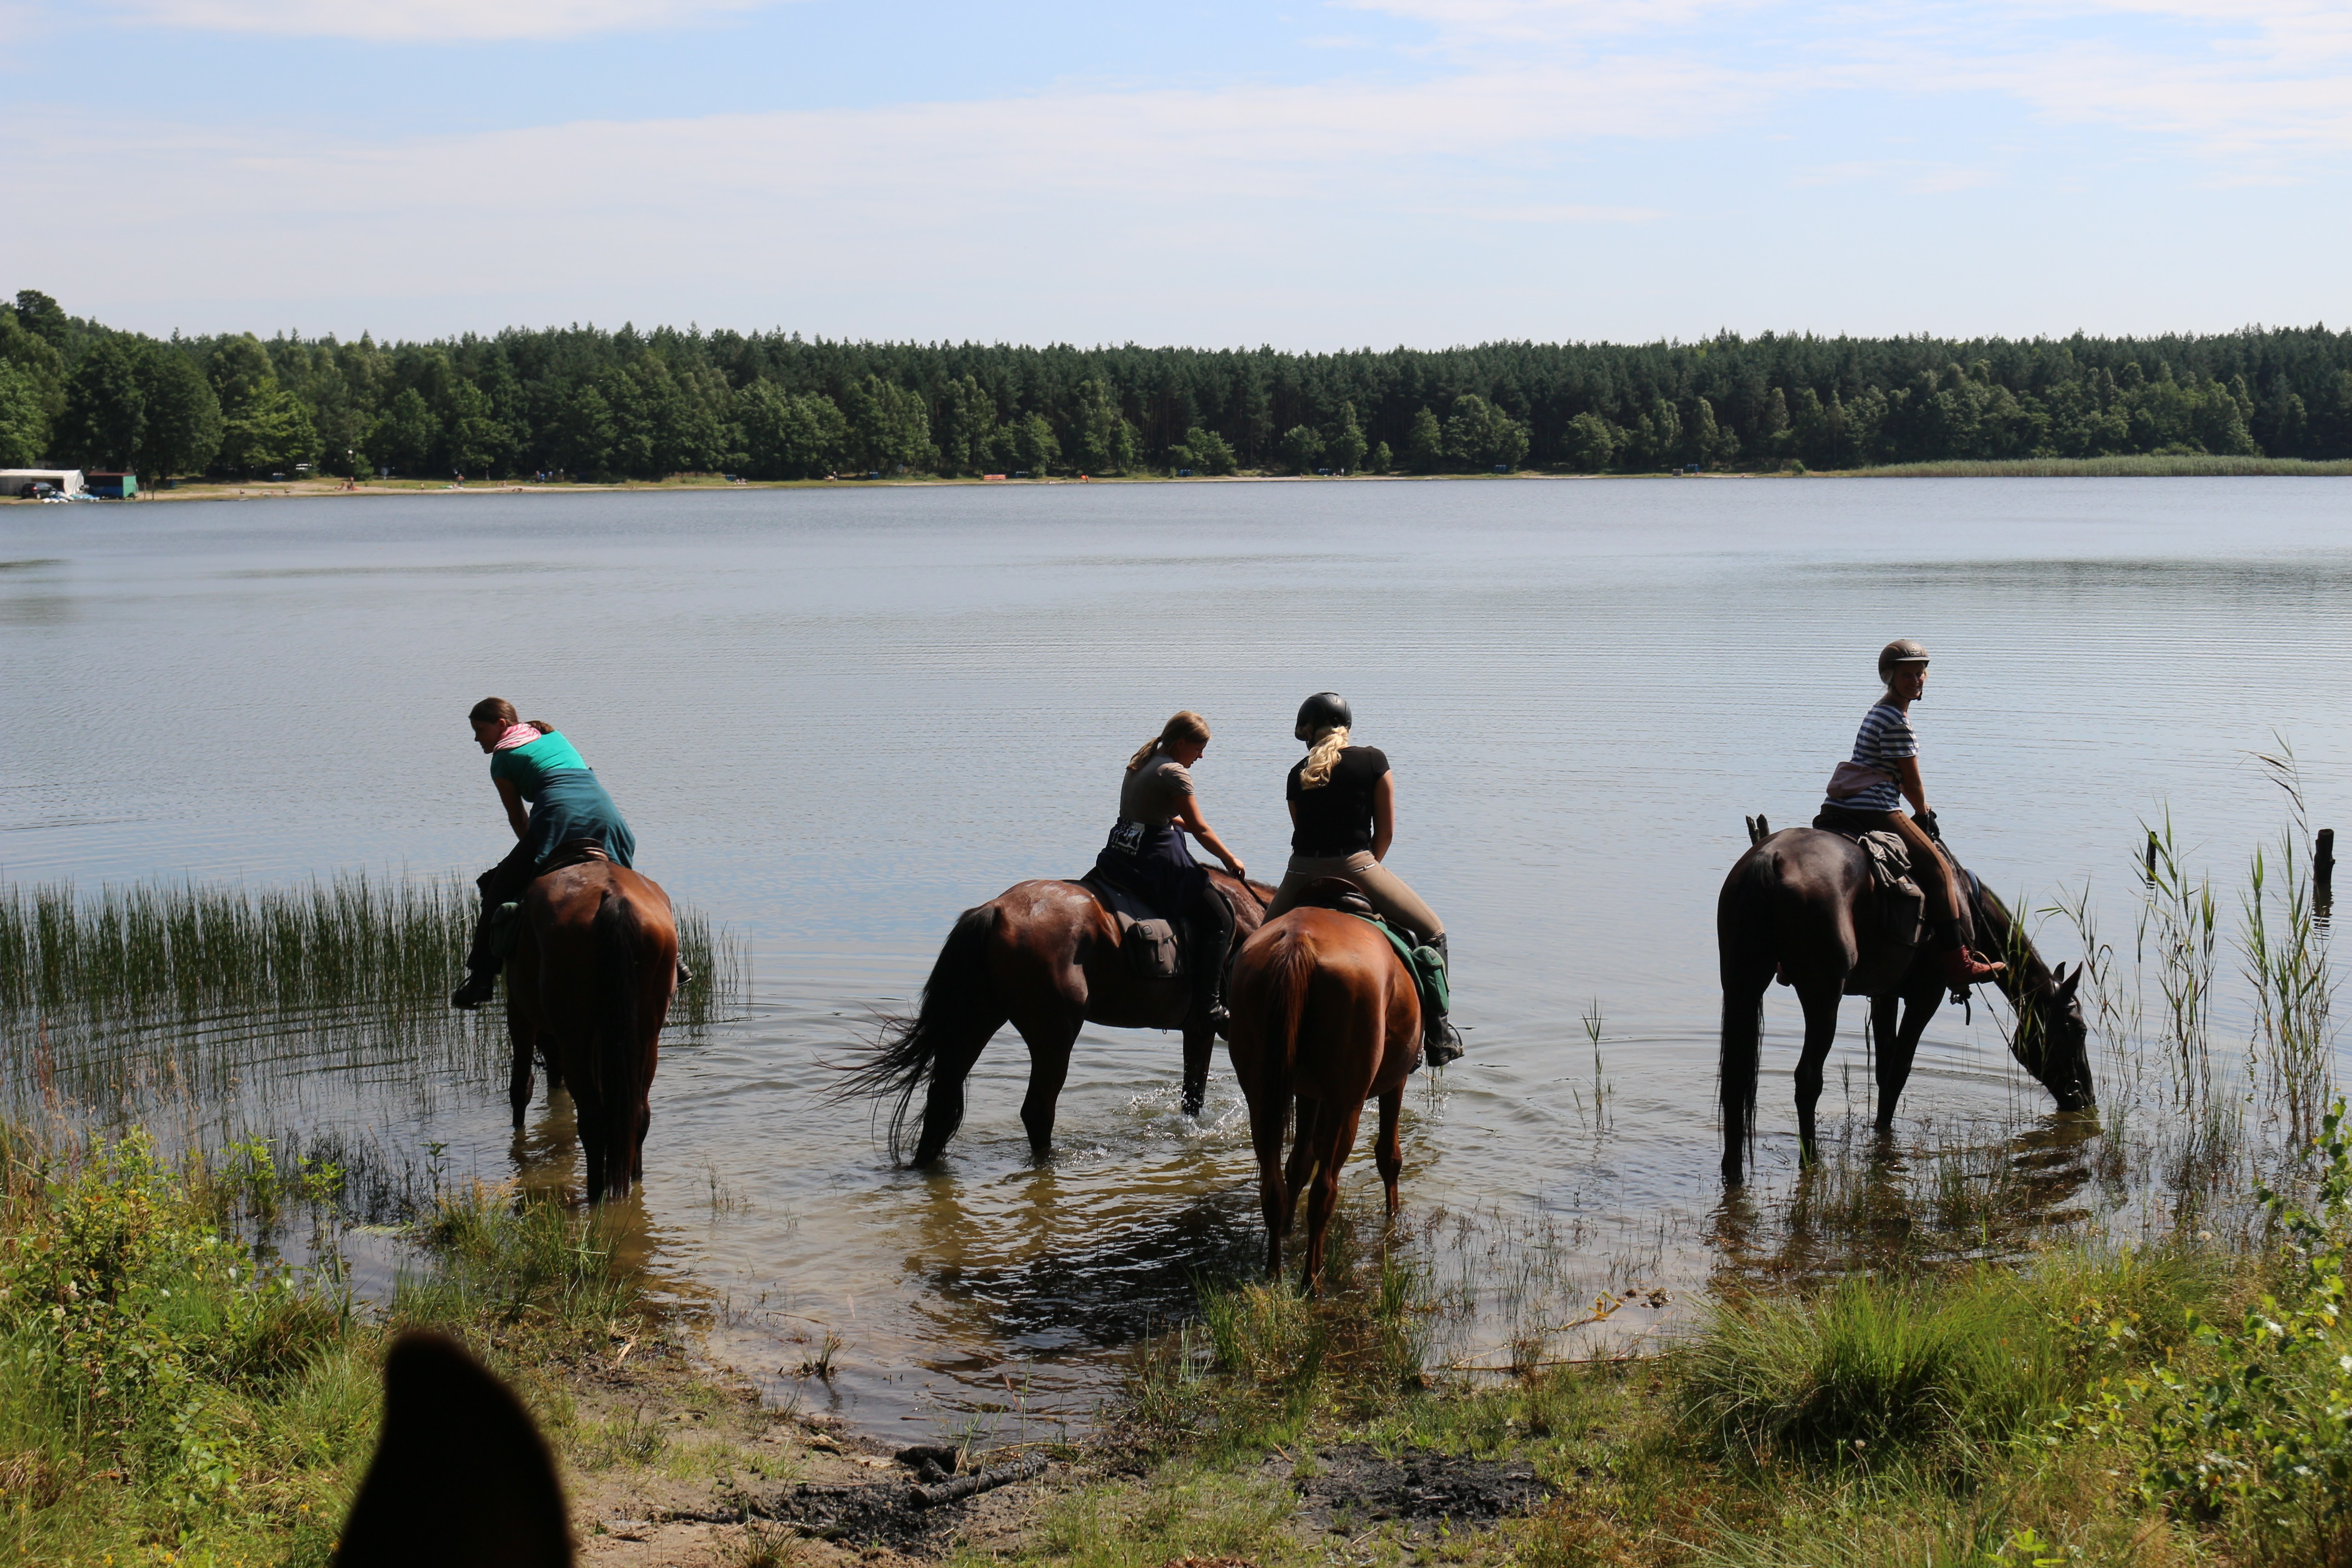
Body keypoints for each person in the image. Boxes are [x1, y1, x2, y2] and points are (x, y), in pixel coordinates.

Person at [1264, 692, 1461, 1064]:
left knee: (1251, 949)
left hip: (1300, 873)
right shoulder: (1374, 761)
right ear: (1346, 726)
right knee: (1434, 932)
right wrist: (1366, 872)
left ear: (1308, 734)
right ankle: (1439, 1035)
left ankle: (1237, 1017)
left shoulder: (1296, 774)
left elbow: (1303, 831)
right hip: (1358, 868)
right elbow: (1385, 833)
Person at [1821, 640, 2005, 989]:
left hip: (1841, 806)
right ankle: (1960, 964)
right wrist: (1924, 812)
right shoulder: (1897, 722)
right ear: (1890, 678)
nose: (1916, 680)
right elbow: (1912, 782)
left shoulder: (1878, 710)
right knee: (1940, 872)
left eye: (1920, 673)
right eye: (1907, 674)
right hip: (1875, 808)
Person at [449, 698, 639, 1009]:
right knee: (626, 889)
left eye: (480, 730)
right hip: (607, 816)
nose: (476, 739)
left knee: (496, 888)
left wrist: (535, 852)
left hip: (558, 816)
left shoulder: (502, 759)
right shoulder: (553, 736)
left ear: (501, 725)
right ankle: (674, 958)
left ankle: (481, 978)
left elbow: (518, 818)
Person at [1095, 710, 1248, 1029]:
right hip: (1154, 858)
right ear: (1181, 743)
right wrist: (1230, 860)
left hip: (1122, 852)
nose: (1200, 756)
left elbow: (1150, 813)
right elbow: (1201, 830)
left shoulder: (1143, 760)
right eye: (1199, 749)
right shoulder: (1174, 772)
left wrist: (1181, 823)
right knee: (1220, 918)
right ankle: (1210, 1006)